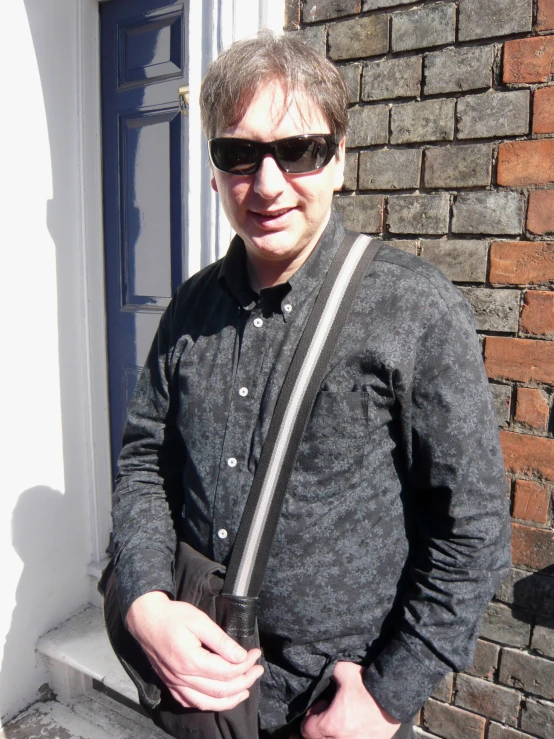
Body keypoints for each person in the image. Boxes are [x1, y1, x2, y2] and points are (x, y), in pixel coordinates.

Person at [111, 32, 510, 739]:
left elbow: (472, 531)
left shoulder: (414, 309)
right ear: (213, 170)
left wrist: (387, 698)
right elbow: (146, 460)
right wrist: (145, 601)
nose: (266, 184)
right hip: (201, 697)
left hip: (332, 714)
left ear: (339, 162)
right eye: (239, 153)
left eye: (297, 150)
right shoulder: (189, 309)